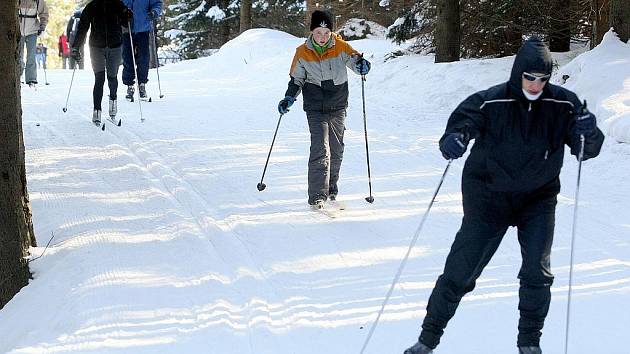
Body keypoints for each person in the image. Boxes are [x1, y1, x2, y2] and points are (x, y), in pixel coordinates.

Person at [403, 37, 604, 354]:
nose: (536, 85)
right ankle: (427, 340)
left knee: (537, 272)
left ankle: (529, 343)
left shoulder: (563, 104)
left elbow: (587, 150)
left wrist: (588, 131)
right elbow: (457, 128)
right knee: (460, 270)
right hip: (488, 198)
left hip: (537, 199)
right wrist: (455, 140)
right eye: (529, 77)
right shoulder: (490, 101)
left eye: (542, 79)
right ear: (517, 73)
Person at [278, 10, 371, 208]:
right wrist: (289, 98)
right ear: (312, 31)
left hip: (337, 104)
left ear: (331, 32)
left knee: (336, 150)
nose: (322, 37)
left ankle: (331, 189)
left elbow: (355, 61)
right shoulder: (302, 52)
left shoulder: (341, 47)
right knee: (320, 149)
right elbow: (296, 80)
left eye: (326, 32)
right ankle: (317, 196)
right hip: (315, 106)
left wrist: (362, 65)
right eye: (318, 32)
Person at [70, 0, 133, 126]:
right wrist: (76, 47)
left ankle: (113, 101)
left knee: (112, 77)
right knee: (99, 78)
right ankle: (97, 110)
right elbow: (83, 28)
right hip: (96, 46)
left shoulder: (118, 4)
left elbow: (126, 24)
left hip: (115, 45)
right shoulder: (92, 6)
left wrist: (128, 15)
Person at [121, 0, 163, 101]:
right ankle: (130, 85)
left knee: (143, 58)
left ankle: (142, 84)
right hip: (126, 28)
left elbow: (157, 3)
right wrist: (122, 12)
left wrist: (154, 12)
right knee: (128, 58)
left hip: (143, 27)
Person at [18, 0, 49, 87]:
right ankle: (18, 76)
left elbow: (44, 13)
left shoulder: (38, 0)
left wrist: (42, 27)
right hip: (18, 30)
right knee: (19, 55)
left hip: (33, 30)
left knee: (31, 55)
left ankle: (31, 78)